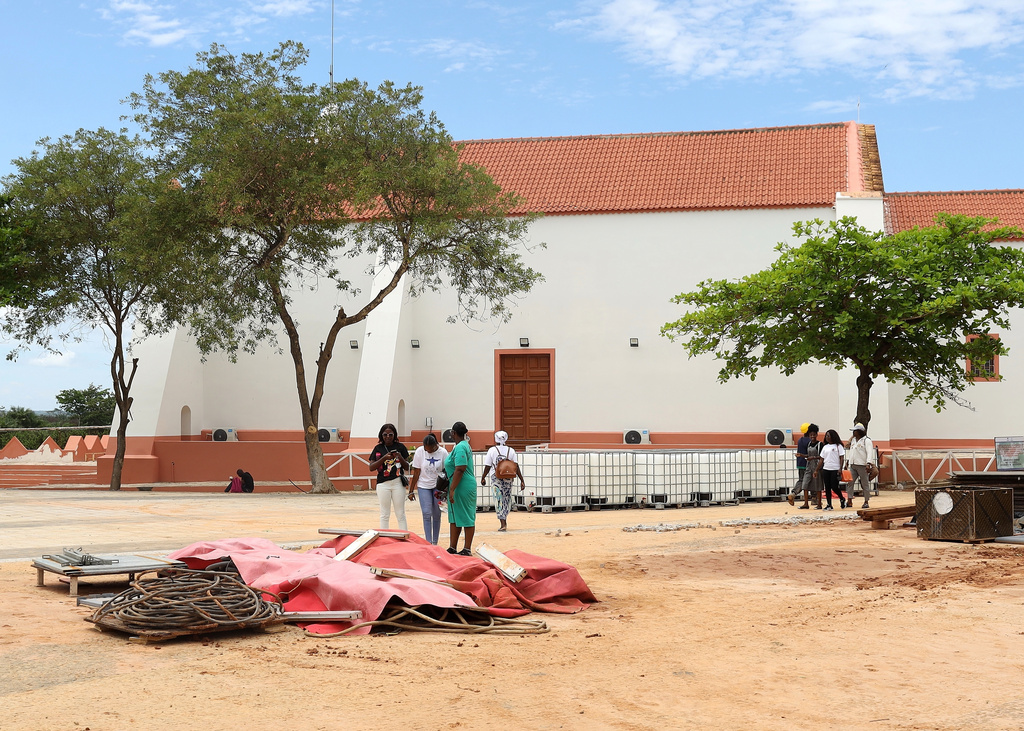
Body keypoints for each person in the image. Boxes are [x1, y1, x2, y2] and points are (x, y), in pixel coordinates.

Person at [367, 423, 410, 530]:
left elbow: (407, 467)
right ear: (381, 435)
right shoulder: (378, 448)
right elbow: (371, 467)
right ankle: (385, 538)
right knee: (384, 514)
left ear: (394, 435)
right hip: (383, 484)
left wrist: (399, 456)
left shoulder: (400, 447)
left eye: (390, 434)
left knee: (400, 513)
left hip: (398, 483)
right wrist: (384, 458)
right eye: (385, 435)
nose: (388, 437)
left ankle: (403, 537)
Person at [481, 430, 526, 531]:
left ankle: (503, 523)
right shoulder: (511, 450)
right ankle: (504, 519)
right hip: (508, 477)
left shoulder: (492, 450)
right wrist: (522, 480)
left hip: (496, 477)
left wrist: (483, 477)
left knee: (498, 499)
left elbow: (488, 466)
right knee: (507, 498)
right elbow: (516, 466)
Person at [444, 421, 477, 555]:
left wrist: (452, 489)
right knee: (455, 517)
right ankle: (453, 547)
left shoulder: (460, 447)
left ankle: (467, 548)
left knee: (467, 516)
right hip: (457, 485)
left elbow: (460, 469)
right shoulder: (462, 446)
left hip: (462, 486)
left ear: (453, 433)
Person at [409, 433, 448, 545]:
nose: (428, 451)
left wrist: (446, 489)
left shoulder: (443, 452)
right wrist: (411, 490)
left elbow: (447, 471)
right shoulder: (420, 452)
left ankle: (434, 542)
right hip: (423, 486)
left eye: (430, 449)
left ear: (436, 445)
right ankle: (428, 541)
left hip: (438, 486)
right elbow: (416, 472)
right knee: (426, 513)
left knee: (436, 514)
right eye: (426, 449)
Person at [846, 423, 875, 509]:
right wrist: (848, 461)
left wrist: (868, 463)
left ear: (860, 432)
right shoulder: (853, 440)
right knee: (850, 483)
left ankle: (866, 501)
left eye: (855, 431)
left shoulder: (867, 441)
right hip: (853, 464)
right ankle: (849, 500)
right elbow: (852, 451)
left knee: (864, 484)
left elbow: (869, 452)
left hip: (862, 465)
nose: (853, 433)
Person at [820, 429, 847, 510]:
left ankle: (842, 498)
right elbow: (821, 459)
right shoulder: (825, 447)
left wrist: (840, 468)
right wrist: (817, 469)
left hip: (835, 469)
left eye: (828, 436)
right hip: (826, 468)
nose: (827, 437)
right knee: (827, 487)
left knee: (834, 486)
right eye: (826, 436)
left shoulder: (838, 446)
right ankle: (829, 504)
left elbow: (841, 457)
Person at [788, 422, 812, 506]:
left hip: (800, 463)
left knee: (801, 479)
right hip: (808, 463)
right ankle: (815, 498)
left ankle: (793, 493)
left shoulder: (800, 440)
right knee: (811, 480)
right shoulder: (810, 441)